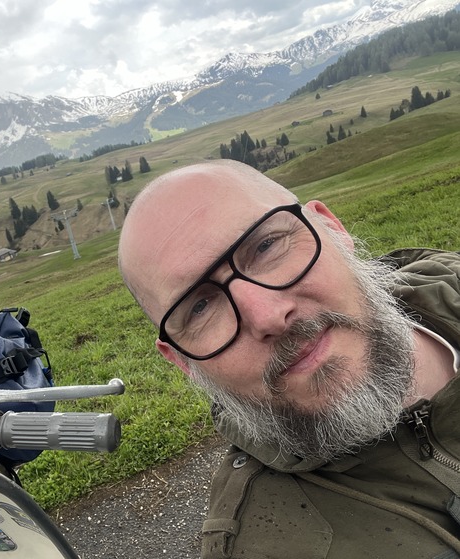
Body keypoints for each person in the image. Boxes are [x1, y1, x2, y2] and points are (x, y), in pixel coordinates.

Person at [117, 160, 460, 558]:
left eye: (265, 246)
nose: (267, 316)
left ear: (331, 227)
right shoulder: (266, 545)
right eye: (199, 307)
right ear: (181, 361)